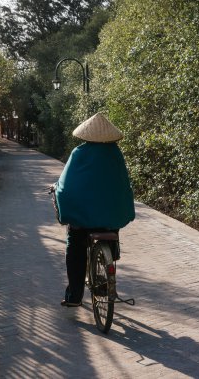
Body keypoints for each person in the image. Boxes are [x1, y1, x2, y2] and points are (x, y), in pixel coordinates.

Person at [54, 112, 135, 307]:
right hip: (110, 218)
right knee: (111, 224)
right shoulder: (116, 154)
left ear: (86, 134)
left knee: (74, 243)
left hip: (83, 221)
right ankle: (110, 261)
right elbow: (123, 184)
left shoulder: (79, 153)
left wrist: (57, 190)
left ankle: (74, 296)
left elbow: (66, 185)